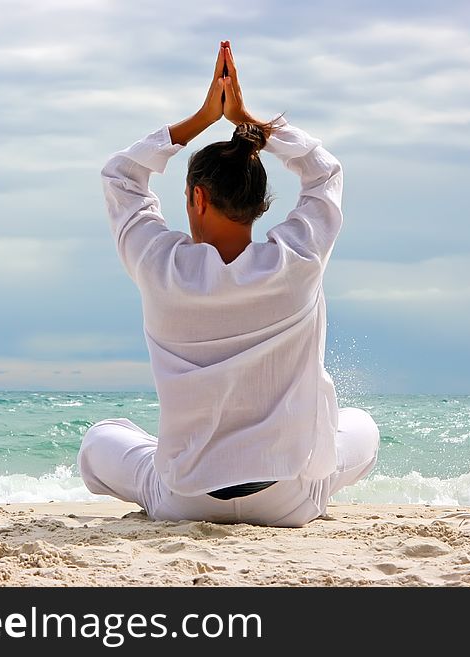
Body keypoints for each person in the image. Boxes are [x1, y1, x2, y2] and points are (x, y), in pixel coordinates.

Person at [77, 40, 379, 527]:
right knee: (362, 429)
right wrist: (253, 124)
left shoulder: (161, 266)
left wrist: (202, 118)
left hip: (187, 496)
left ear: (197, 197)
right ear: (261, 204)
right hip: (288, 499)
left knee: (101, 441)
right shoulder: (297, 262)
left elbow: (121, 177)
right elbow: (325, 174)